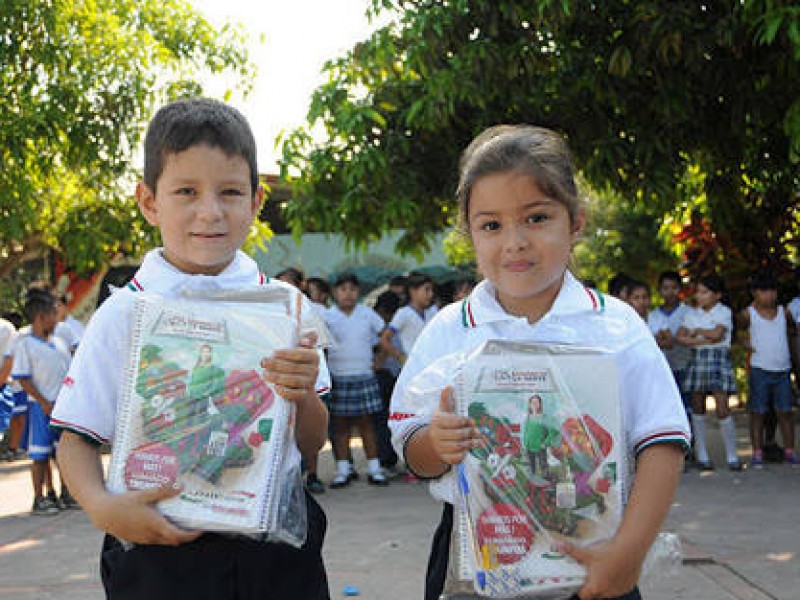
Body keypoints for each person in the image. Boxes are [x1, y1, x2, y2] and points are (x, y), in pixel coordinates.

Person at [389, 125, 689, 600]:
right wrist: (436, 443)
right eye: (491, 225)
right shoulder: (450, 328)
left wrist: (628, 554)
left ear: (575, 223)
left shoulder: (615, 325)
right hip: (478, 551)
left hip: (595, 551)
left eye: (536, 218)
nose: (515, 242)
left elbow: (663, 442)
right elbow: (410, 446)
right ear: (469, 234)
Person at [51, 98, 331, 600]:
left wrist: (304, 394)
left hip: (276, 546)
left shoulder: (285, 306)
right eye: (186, 191)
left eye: (229, 192)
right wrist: (101, 506)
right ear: (149, 201)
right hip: (157, 546)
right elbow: (76, 438)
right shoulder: (123, 313)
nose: (210, 212)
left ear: (255, 200)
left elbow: (311, 441)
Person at [324, 273, 389, 487]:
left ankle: (374, 469)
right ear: (335, 293)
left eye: (352, 289)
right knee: (340, 427)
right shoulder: (327, 316)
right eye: (343, 289)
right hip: (338, 376)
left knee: (367, 425)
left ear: (358, 292)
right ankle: (343, 470)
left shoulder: (367, 314)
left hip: (364, 374)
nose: (348, 294)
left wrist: (381, 358)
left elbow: (385, 334)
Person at [12, 288, 74, 514]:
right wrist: (43, 401)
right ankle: (39, 497)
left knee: (63, 453)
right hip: (40, 408)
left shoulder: (58, 343)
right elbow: (23, 378)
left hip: (61, 408)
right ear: (40, 317)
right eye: (52, 315)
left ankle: (65, 492)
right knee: (39, 454)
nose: (56, 319)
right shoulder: (25, 344)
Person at [677, 273, 742, 471]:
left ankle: (732, 455)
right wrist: (705, 338)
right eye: (698, 292)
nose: (700, 296)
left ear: (717, 295)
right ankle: (703, 456)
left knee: (722, 407)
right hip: (698, 359)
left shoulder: (724, 312)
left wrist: (697, 332)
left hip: (717, 359)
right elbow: (681, 337)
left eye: (705, 292)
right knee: (698, 406)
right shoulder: (691, 313)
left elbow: (718, 335)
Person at [737, 271, 798, 468]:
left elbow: (791, 331)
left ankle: (790, 450)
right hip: (759, 369)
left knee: (785, 412)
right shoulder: (749, 314)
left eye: (772, 291)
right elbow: (736, 330)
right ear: (755, 293)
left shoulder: (783, 312)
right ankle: (757, 452)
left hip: (782, 369)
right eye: (764, 291)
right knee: (758, 412)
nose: (769, 296)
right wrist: (745, 343)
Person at [647, 271, 693, 434]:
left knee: (687, 405)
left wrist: (669, 340)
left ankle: (690, 441)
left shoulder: (688, 313)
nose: (670, 292)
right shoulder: (653, 316)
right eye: (665, 288)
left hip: (685, 365)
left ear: (680, 289)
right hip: (662, 370)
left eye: (674, 288)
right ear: (659, 291)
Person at [372, 290, 402, 476]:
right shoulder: (398, 325)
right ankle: (389, 458)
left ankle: (387, 459)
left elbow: (381, 350)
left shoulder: (386, 327)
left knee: (382, 420)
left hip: (385, 375)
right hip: (395, 375)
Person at [379, 272, 437, 366]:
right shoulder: (403, 313)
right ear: (413, 291)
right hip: (413, 367)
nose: (431, 294)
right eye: (427, 290)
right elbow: (384, 339)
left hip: (432, 364)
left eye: (431, 290)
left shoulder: (433, 311)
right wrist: (400, 356)